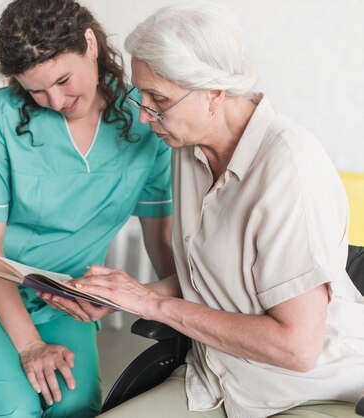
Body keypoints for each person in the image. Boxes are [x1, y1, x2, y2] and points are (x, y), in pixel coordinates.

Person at [39, 2, 364, 417]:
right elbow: (218, 277)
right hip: (215, 377)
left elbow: (296, 348)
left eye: (158, 98)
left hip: (307, 390)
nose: (143, 115)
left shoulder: (290, 168)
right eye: (143, 95)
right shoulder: (188, 145)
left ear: (215, 92)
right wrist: (123, 297)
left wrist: (151, 304)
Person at [0, 0, 176, 416]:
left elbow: (160, 238)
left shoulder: (144, 120)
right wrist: (30, 346)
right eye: (35, 90)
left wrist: (167, 307)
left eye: (62, 80)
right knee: (14, 408)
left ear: (90, 44)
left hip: (63, 301)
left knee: (76, 407)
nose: (55, 100)